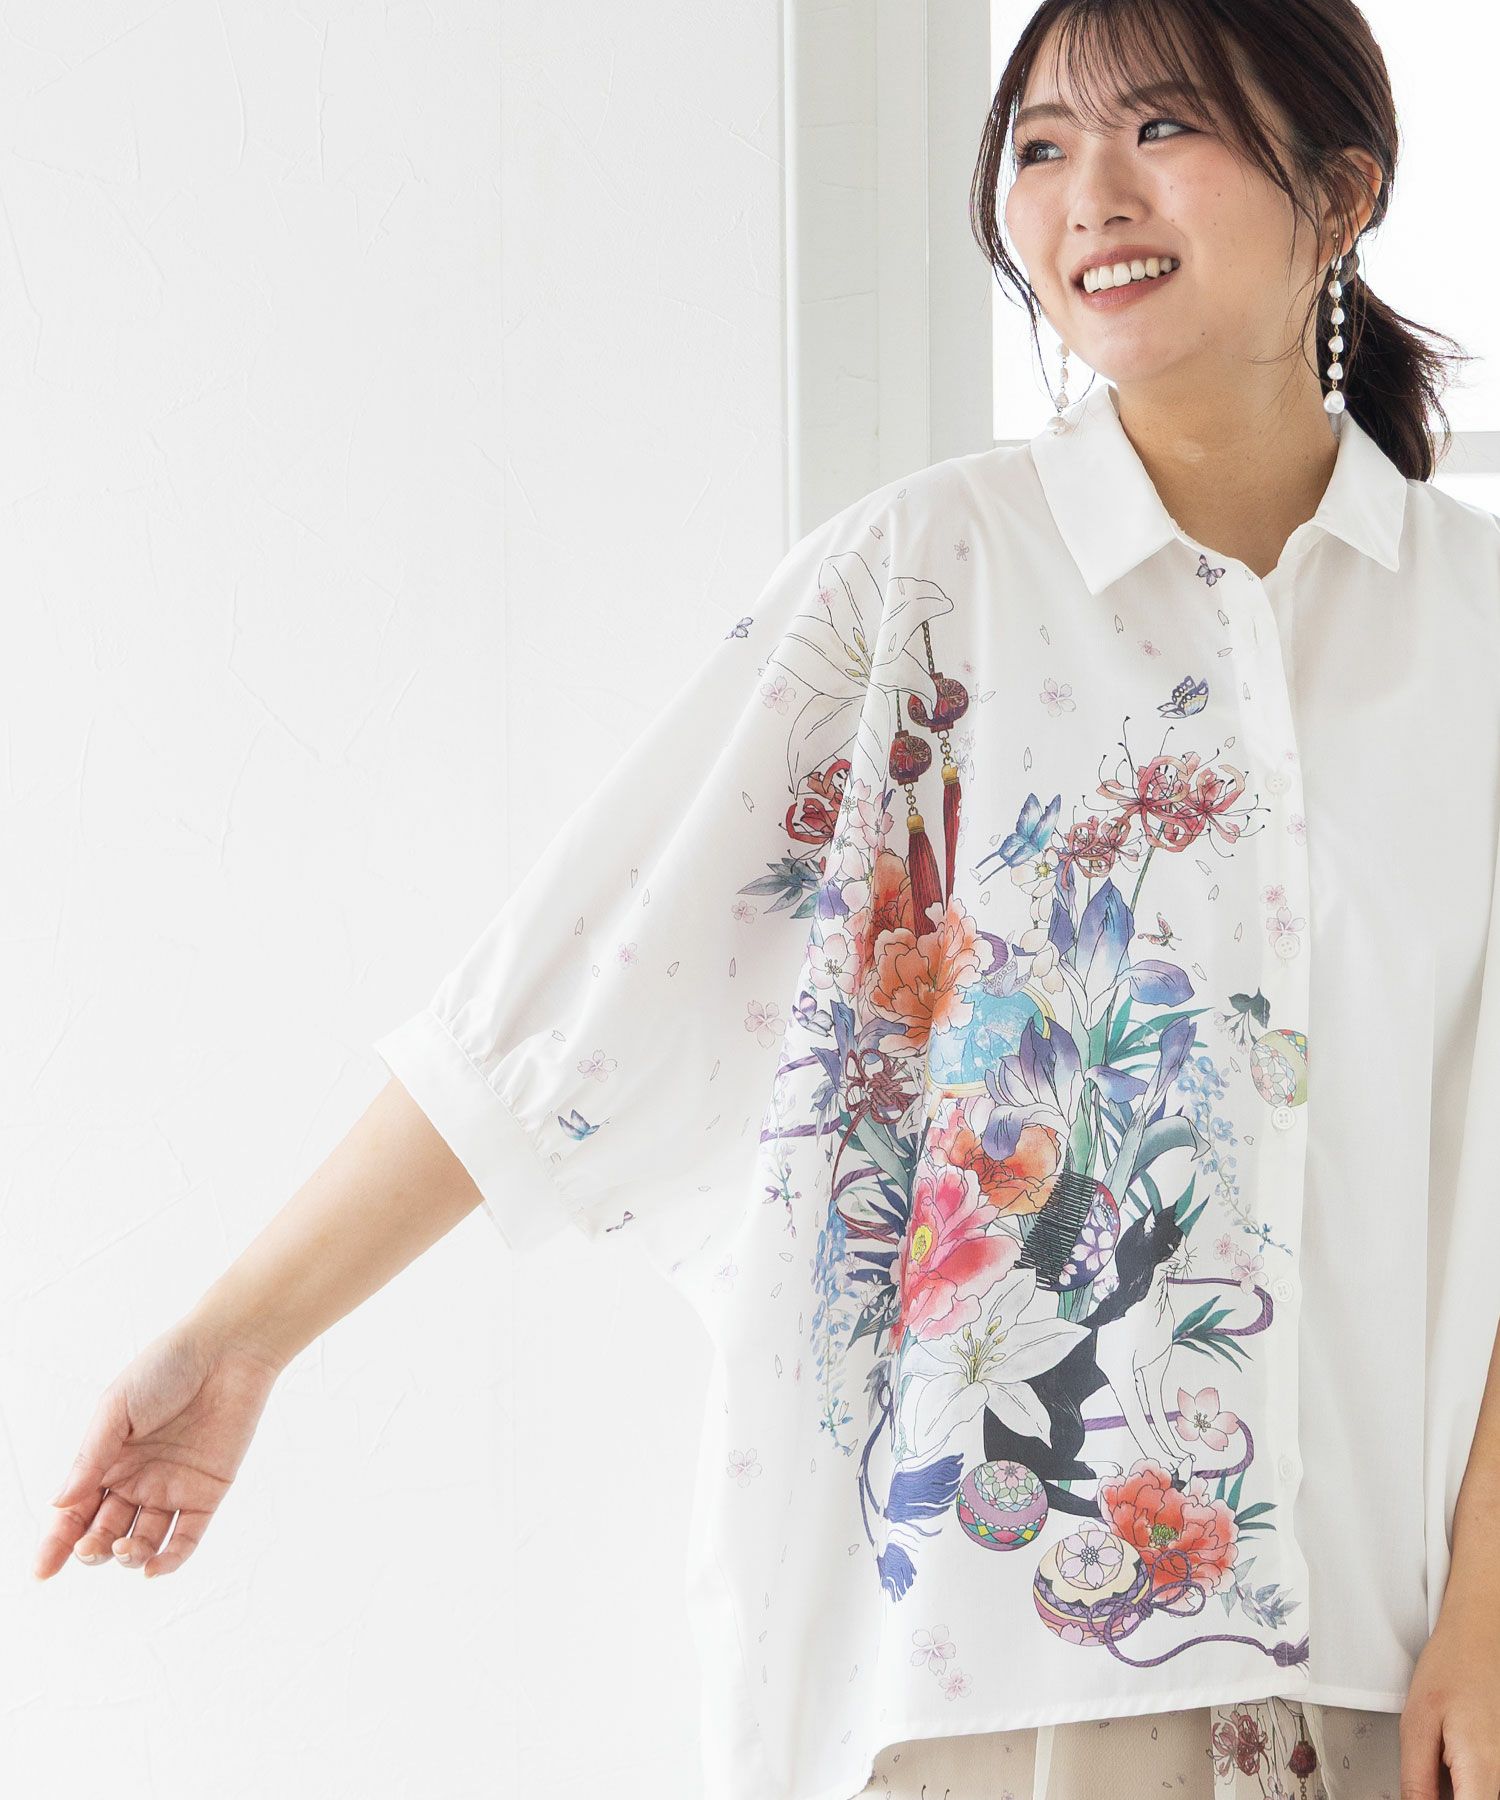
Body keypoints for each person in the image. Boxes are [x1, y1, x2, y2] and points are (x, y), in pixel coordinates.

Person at [32, 0, 1500, 1797]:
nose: (1089, 196)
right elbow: (580, 988)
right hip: (992, 1666)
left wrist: (1489, 1605)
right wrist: (237, 1339)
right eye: (1041, 145)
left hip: (1407, 1662)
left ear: (1342, 192)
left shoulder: (1480, 640)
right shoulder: (928, 581)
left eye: (1164, 128)